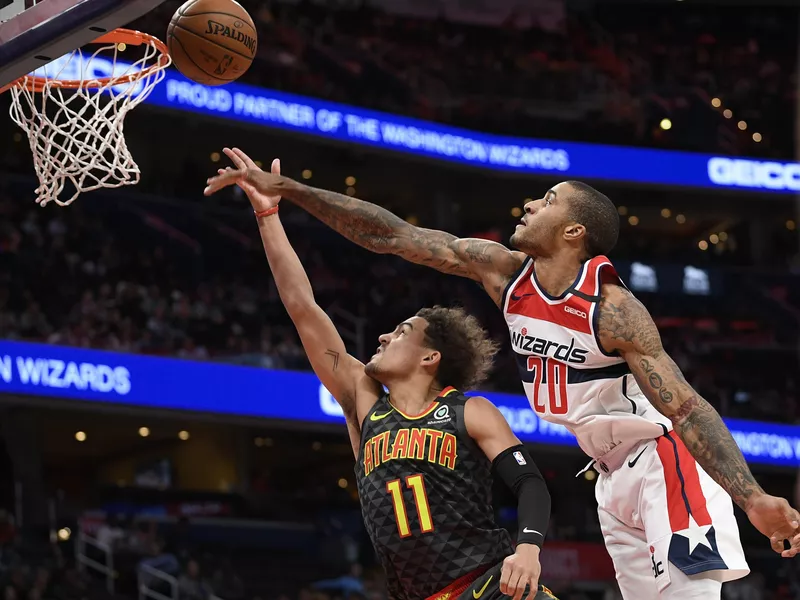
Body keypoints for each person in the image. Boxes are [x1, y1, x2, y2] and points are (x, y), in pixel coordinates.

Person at [205, 158, 800, 600]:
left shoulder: (612, 309)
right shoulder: (503, 274)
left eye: (548, 199)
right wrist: (289, 192)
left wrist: (752, 498)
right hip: (605, 475)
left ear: (574, 233)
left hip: (659, 459)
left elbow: (687, 410)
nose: (531, 204)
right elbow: (396, 237)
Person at [215, 149, 557, 600]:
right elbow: (303, 308)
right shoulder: (364, 401)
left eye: (401, 332)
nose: (381, 337)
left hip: (489, 585)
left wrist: (529, 549)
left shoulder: (468, 411)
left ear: (430, 358)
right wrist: (268, 215)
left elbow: (530, 482)